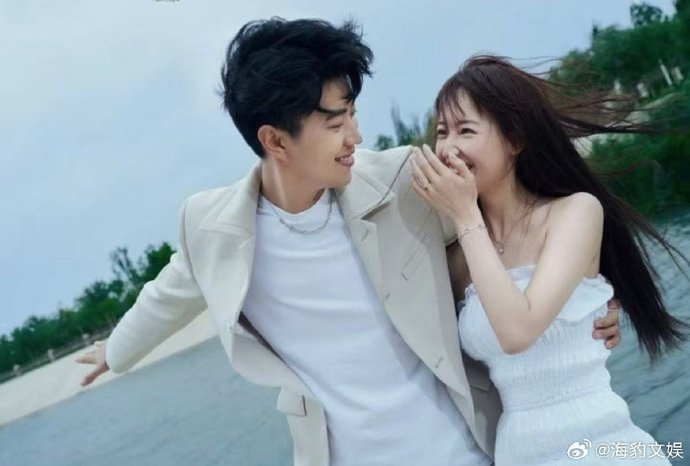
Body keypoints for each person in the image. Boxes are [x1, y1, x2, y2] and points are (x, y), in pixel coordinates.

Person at [76, 20, 622, 466]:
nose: (356, 137)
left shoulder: (404, 181)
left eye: (353, 115)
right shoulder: (213, 227)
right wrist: (116, 353)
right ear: (274, 140)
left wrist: (586, 302)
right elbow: (167, 296)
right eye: (336, 123)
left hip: (472, 448)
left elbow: (517, 228)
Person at [411, 55, 687, 465]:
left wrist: (466, 215)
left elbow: (518, 330)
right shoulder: (457, 261)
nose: (449, 148)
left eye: (465, 130)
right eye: (442, 132)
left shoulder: (575, 212)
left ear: (515, 140)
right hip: (518, 451)